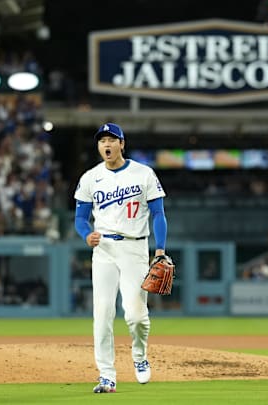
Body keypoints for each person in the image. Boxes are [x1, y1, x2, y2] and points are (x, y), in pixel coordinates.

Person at [73, 122, 168, 394]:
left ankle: (139, 357)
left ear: (122, 144)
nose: (106, 144)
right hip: (103, 250)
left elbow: (158, 214)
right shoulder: (90, 177)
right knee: (102, 314)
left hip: (135, 248)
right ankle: (107, 376)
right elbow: (80, 218)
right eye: (102, 140)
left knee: (136, 315)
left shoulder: (143, 173)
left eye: (112, 139)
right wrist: (85, 235)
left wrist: (159, 249)